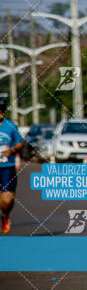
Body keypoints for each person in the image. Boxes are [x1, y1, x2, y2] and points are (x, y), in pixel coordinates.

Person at [0, 97, 25, 233]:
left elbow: (20, 142)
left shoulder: (10, 126)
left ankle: (5, 215)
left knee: (7, 200)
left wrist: (13, 149)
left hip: (6, 168)